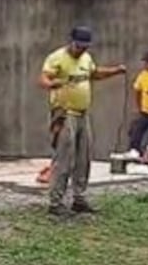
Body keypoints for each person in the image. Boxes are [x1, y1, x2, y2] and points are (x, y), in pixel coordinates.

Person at [39, 26, 126, 216]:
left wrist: (115, 71)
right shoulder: (57, 58)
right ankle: (55, 202)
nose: (82, 50)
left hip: (82, 113)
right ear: (71, 41)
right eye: (79, 46)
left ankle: (79, 198)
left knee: (83, 157)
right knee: (64, 158)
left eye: (85, 46)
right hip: (64, 113)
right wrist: (52, 83)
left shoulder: (86, 58)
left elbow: (94, 74)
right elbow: (44, 78)